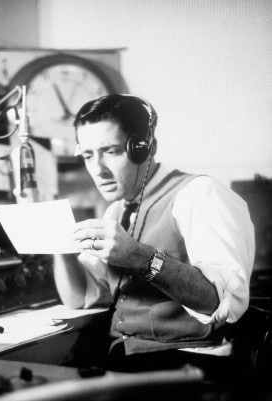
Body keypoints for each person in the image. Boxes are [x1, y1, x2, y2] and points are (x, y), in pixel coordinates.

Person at [53, 94, 255, 379]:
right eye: (87, 155)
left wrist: (138, 257)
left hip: (191, 364)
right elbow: (81, 297)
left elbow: (219, 304)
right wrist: (55, 244)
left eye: (110, 151)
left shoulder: (200, 194)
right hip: (128, 358)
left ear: (144, 149)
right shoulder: (115, 211)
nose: (97, 170)